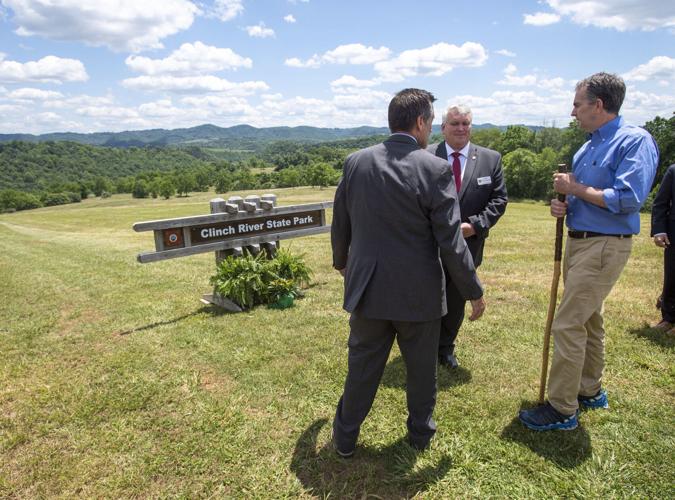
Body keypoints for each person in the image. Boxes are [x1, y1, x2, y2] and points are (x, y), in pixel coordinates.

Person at [331, 88, 486, 456]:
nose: (431, 130)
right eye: (431, 122)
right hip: (420, 295)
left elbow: (341, 222)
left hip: (367, 289)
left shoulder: (356, 162)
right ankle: (420, 438)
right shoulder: (435, 168)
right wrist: (473, 290)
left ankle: (345, 439)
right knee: (420, 372)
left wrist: (342, 264)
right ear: (419, 122)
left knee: (362, 369)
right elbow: (450, 241)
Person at [519, 72, 658, 431]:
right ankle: (589, 389)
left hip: (603, 245)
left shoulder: (633, 141)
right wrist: (562, 204)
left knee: (567, 323)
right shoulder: (589, 144)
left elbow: (628, 200)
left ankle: (561, 409)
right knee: (588, 318)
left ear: (599, 105)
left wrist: (575, 189)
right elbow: (578, 193)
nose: (572, 111)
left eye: (578, 104)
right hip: (580, 241)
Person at [428, 105, 508, 368]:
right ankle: (421, 346)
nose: (461, 128)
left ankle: (445, 348)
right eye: (454, 123)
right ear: (443, 128)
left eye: (466, 123)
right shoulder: (426, 155)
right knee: (428, 297)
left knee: (455, 298)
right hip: (429, 245)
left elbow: (499, 199)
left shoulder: (490, 158)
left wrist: (475, 225)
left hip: (469, 244)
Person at [650, 164, 675, 333]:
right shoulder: (673, 171)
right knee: (672, 274)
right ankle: (669, 318)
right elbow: (660, 203)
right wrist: (659, 230)